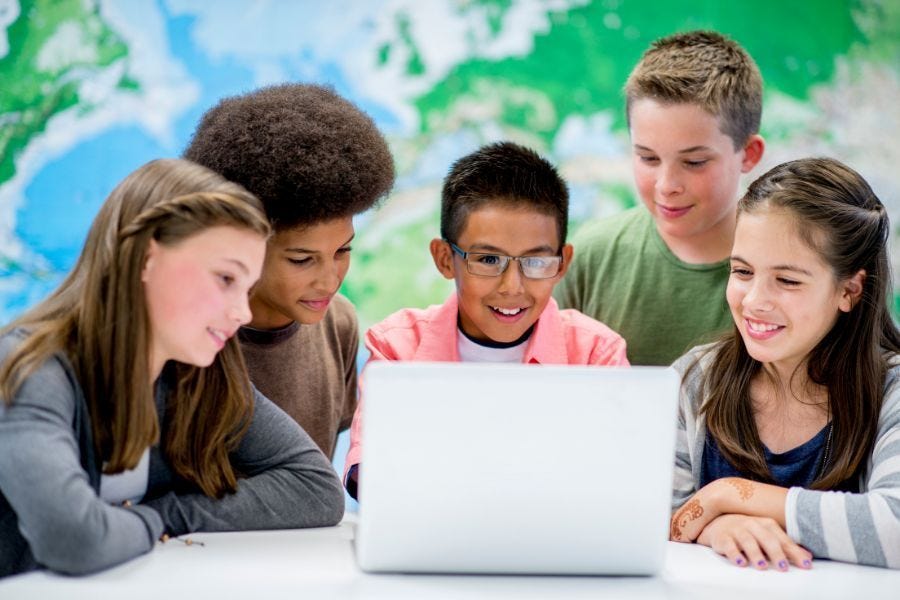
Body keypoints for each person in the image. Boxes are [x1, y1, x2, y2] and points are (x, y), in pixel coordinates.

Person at [0, 159, 345, 578]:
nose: (241, 312)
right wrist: (150, 523)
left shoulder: (197, 373)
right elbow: (74, 539)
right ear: (147, 258)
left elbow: (315, 488)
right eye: (225, 279)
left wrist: (168, 514)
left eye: (247, 287)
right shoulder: (31, 368)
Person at [344, 141, 629, 499]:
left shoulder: (596, 355)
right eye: (488, 261)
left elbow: (616, 481)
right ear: (445, 258)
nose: (513, 287)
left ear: (563, 262)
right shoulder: (399, 347)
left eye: (537, 262)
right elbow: (372, 477)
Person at [669, 158, 900, 570]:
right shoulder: (694, 379)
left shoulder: (891, 390)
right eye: (742, 271)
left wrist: (729, 495)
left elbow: (893, 528)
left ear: (850, 290)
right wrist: (715, 529)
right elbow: (652, 519)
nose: (754, 300)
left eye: (788, 280)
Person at [184, 83, 395, 459]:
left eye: (342, 250)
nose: (330, 281)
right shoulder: (185, 335)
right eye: (301, 259)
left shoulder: (339, 324)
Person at [554, 30, 766, 365]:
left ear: (749, 154)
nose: (667, 185)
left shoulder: (788, 270)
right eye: (648, 158)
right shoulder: (592, 257)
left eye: (694, 162)